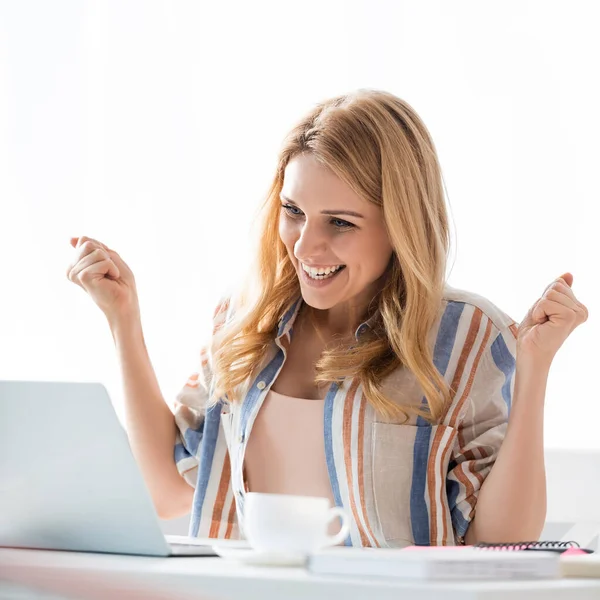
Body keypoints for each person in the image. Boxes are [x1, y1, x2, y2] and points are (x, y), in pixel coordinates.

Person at [66, 89, 589, 548]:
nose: (306, 245)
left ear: (401, 225)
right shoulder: (246, 319)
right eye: (293, 212)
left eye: (340, 222)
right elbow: (168, 491)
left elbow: (501, 539)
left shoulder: (466, 335)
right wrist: (122, 320)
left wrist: (535, 369)